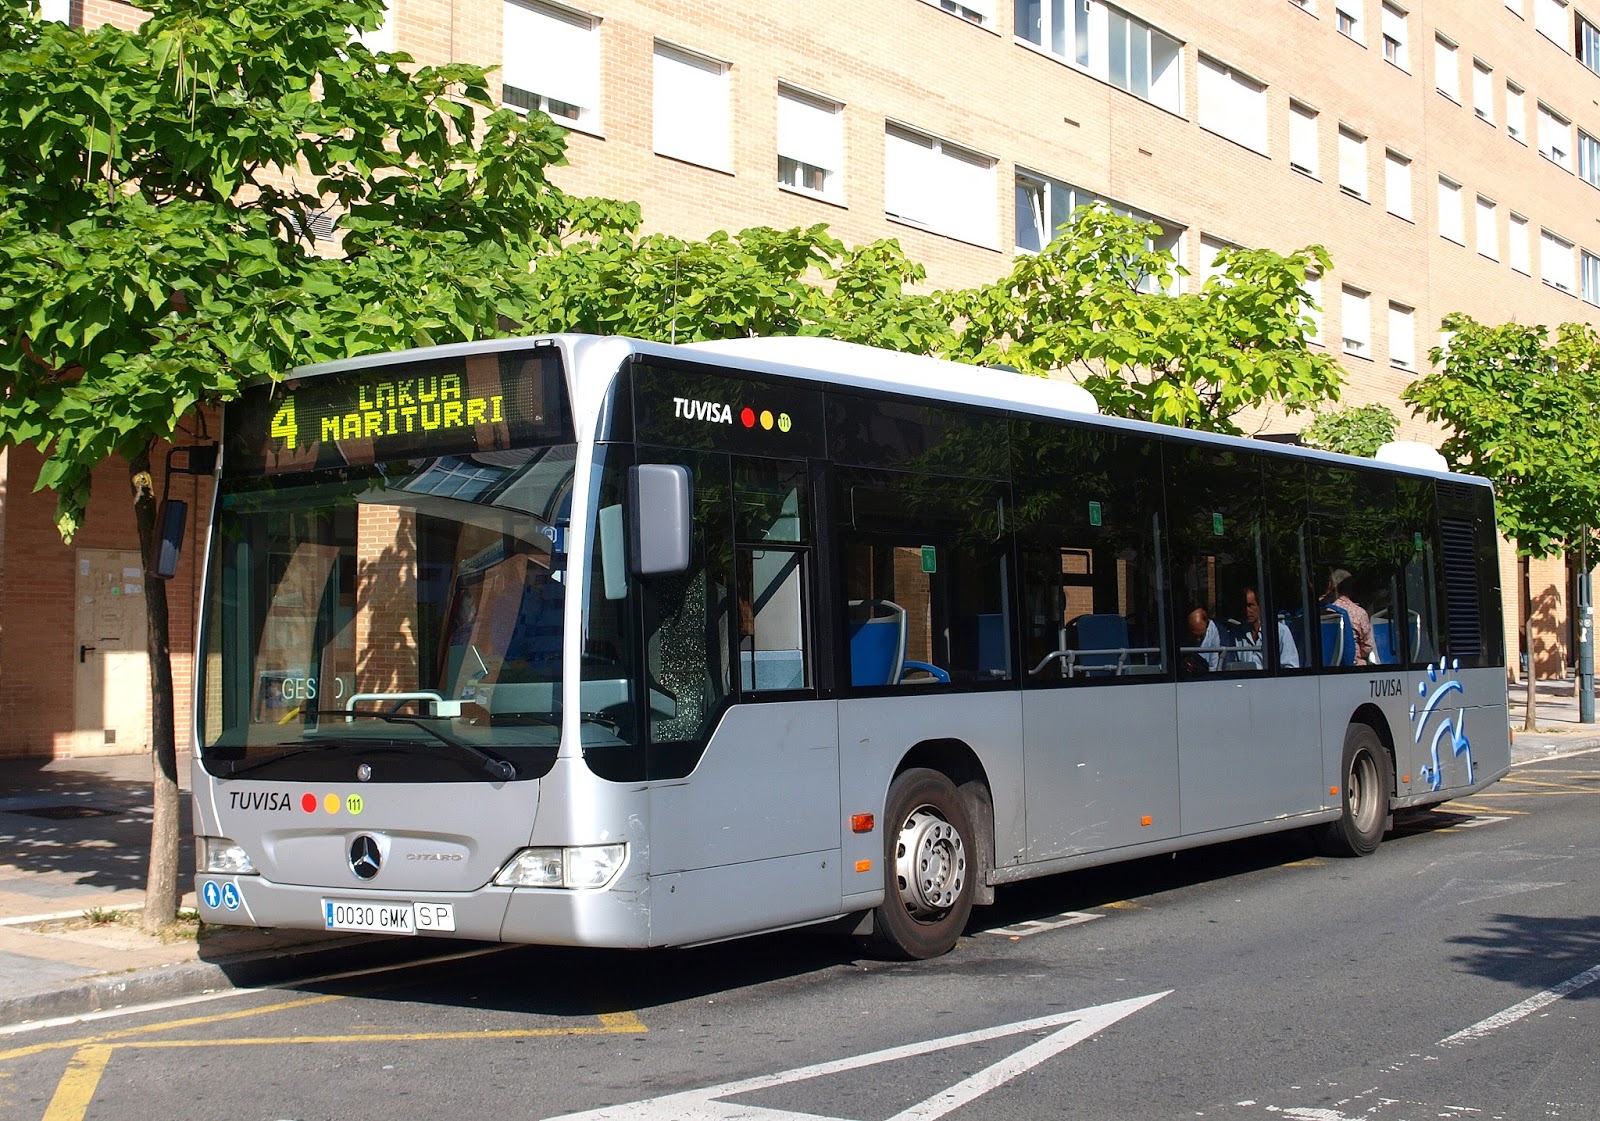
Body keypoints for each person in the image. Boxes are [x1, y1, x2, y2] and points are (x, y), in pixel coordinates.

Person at [1236, 587, 1299, 670]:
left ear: (1260, 606)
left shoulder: (1280, 632)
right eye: (1244, 606)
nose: (1246, 610)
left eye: (1250, 605)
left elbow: (1291, 667)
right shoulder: (1237, 635)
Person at [1323, 568, 1373, 663]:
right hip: (1351, 666)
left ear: (1330, 585)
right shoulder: (1358, 613)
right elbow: (1367, 647)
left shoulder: (1317, 608)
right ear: (1350, 588)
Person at [1185, 606, 1226, 672]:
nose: (1198, 640)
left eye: (1201, 636)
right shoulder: (1184, 636)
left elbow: (1215, 665)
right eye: (1195, 636)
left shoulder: (1219, 634)